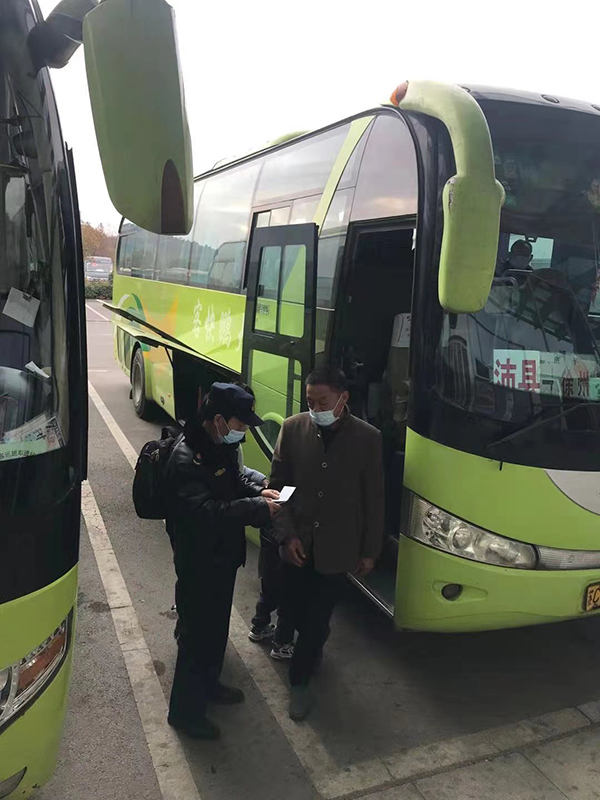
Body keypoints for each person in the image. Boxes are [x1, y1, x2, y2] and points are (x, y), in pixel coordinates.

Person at [165, 382, 279, 740]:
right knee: (196, 637)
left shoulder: (219, 446)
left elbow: (233, 482)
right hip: (199, 560)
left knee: (215, 630)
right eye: (240, 425)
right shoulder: (186, 458)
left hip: (222, 557)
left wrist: (259, 490)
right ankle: (185, 713)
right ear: (218, 421)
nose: (242, 432)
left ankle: (210, 684)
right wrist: (257, 508)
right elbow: (205, 513)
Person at [270, 366, 384, 721]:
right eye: (310, 402)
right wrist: (287, 535)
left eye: (322, 402)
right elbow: (279, 489)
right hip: (297, 545)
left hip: (338, 548)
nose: (315, 409)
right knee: (292, 609)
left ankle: (299, 683)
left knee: (317, 620)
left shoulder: (367, 438)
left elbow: (373, 499)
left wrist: (369, 551)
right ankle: (307, 650)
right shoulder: (293, 429)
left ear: (343, 398)